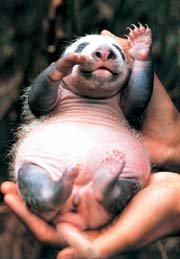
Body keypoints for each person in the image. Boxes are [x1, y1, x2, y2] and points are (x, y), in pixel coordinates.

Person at [1, 30, 180, 259]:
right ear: (64, 67)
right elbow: (37, 103)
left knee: (125, 183)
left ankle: (90, 192)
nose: (105, 54)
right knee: (32, 173)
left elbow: (138, 100)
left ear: (127, 75)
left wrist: (142, 61)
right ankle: (54, 194)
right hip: (62, 179)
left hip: (99, 204)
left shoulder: (121, 101)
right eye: (86, 50)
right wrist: (54, 74)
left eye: (116, 54)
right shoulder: (59, 92)